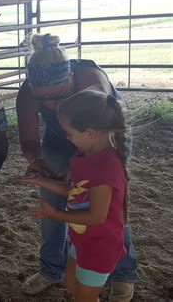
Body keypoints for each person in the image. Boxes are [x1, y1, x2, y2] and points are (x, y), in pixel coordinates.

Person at [15, 33, 137, 301]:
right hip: (68, 135)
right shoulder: (28, 92)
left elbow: (100, 138)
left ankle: (122, 274)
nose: (50, 105)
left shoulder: (91, 81)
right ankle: (51, 269)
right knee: (53, 201)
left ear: (70, 80)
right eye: (42, 99)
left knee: (110, 207)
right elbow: (28, 138)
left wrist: (79, 168)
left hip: (105, 137)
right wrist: (35, 160)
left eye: (57, 96)